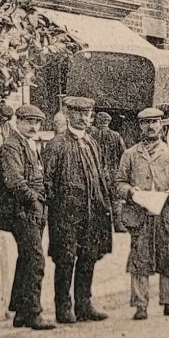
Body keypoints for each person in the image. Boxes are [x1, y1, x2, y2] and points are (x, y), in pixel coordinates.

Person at [41, 96, 114, 324]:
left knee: (88, 257)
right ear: (68, 114)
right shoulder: (57, 144)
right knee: (65, 259)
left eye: (87, 114)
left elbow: (99, 176)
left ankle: (85, 304)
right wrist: (57, 207)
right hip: (66, 215)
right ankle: (63, 307)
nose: (84, 118)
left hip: (91, 212)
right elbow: (47, 181)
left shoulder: (92, 142)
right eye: (78, 114)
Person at [116, 108, 169, 320]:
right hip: (140, 215)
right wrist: (131, 191)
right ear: (140, 126)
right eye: (146, 123)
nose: (151, 127)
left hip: (166, 214)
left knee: (168, 257)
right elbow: (118, 183)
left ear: (161, 125)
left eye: (155, 122)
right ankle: (140, 304)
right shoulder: (130, 154)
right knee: (140, 259)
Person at [0, 104, 54, 331]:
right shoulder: (11, 147)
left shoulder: (29, 145)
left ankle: (20, 311)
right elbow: (14, 181)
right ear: (18, 122)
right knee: (36, 259)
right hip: (22, 211)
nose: (33, 126)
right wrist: (35, 199)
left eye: (37, 122)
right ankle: (33, 313)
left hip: (33, 211)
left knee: (26, 259)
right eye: (28, 121)